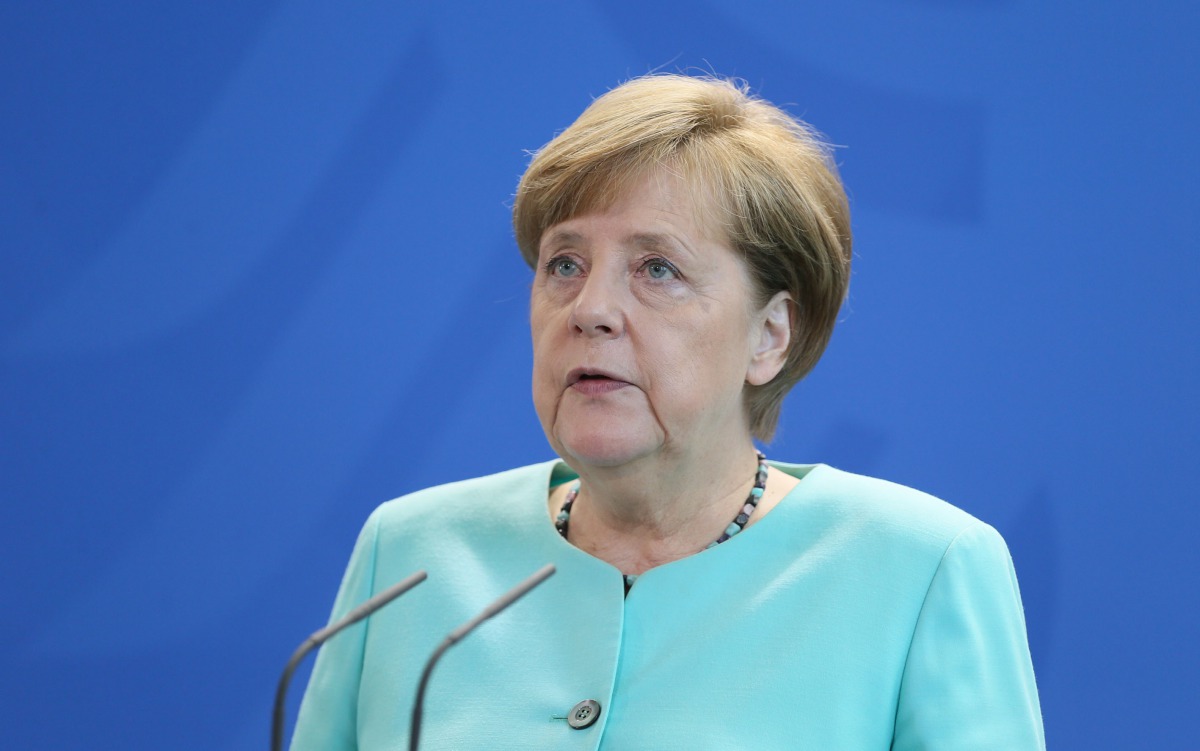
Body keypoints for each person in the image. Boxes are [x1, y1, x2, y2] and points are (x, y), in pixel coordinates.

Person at [291, 74, 1045, 750]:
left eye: (658, 269)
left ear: (768, 336)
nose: (590, 309)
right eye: (564, 264)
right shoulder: (410, 553)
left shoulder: (919, 569)